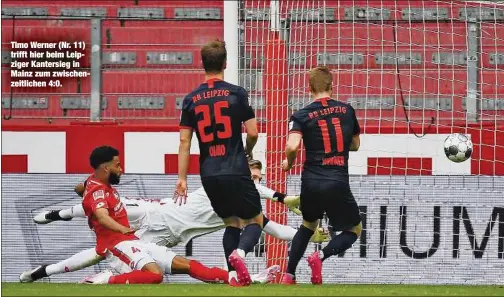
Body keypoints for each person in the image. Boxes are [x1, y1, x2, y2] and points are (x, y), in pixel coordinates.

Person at [22, 160, 327, 284]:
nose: (255, 177)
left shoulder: (243, 210)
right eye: (253, 171)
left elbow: (272, 227)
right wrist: (283, 197)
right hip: (158, 213)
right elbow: (259, 191)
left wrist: (308, 235)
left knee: (104, 253)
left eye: (258, 173)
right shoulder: (228, 185)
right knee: (111, 207)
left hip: (163, 238)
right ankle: (56, 214)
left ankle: (41, 273)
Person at [176, 40, 263, 286]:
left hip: (209, 173)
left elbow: (184, 143)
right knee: (254, 221)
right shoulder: (237, 93)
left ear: (203, 64)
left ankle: (233, 276)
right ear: (225, 63)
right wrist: (246, 151)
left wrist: (182, 179)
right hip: (235, 167)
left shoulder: (190, 99)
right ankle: (240, 254)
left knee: (231, 222)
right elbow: (254, 132)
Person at [78, 146, 231, 284]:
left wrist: (84, 188)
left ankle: (234, 277)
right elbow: (102, 217)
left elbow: (81, 189)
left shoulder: (96, 183)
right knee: (155, 275)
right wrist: (122, 228)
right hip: (117, 246)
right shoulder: (97, 192)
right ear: (105, 168)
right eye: (117, 165)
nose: (121, 169)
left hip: (135, 241)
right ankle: (106, 279)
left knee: (189, 265)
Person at [279, 66, 363, 285]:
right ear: (332, 87)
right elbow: (355, 145)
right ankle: (320, 256)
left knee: (308, 225)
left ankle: (288, 275)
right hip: (336, 179)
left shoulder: (301, 115)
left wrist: (289, 162)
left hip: (311, 180)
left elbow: (293, 144)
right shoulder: (347, 110)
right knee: (354, 229)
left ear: (309, 88)